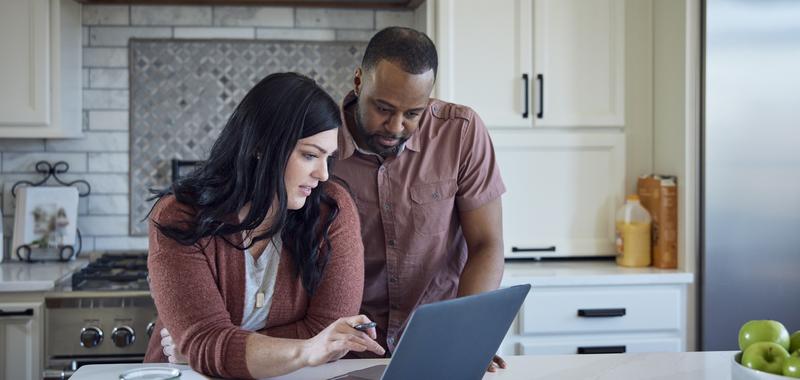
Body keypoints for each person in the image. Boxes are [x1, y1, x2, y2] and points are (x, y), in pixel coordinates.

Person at [143, 72, 384, 379]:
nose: (323, 174)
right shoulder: (179, 217)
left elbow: (330, 335)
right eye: (310, 155)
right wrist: (305, 348)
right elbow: (207, 343)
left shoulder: (332, 209)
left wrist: (217, 348)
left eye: (328, 157)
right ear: (261, 145)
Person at [335, 27, 508, 371]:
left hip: (437, 342)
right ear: (358, 82)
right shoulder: (322, 143)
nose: (396, 126)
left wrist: (468, 333)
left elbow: (487, 244)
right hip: (346, 348)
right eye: (383, 108)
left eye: (413, 113)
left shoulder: (461, 131)